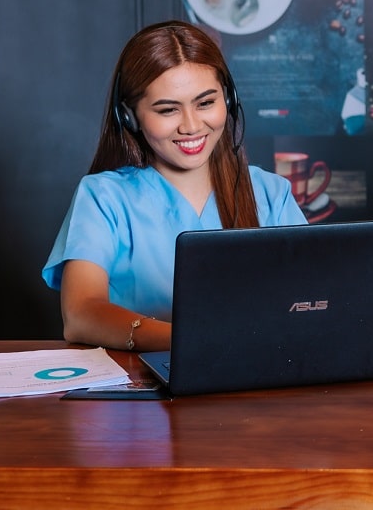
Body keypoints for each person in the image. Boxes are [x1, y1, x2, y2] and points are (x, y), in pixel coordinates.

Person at [42, 21, 305, 351]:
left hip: (256, 389)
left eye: (206, 103)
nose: (192, 126)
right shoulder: (103, 197)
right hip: (141, 394)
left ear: (229, 100)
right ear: (130, 117)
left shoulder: (272, 194)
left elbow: (312, 302)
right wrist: (194, 343)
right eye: (168, 110)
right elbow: (80, 316)